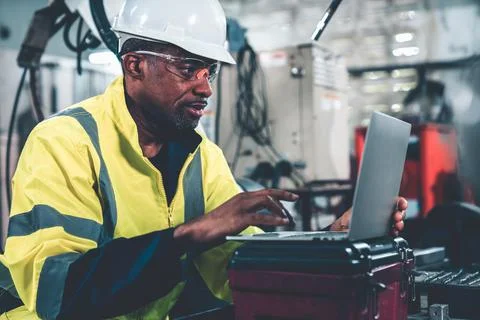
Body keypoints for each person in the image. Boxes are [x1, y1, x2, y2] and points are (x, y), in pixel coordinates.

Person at [0, 0, 407, 319]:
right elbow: (60, 294)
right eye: (189, 69)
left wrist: (330, 241)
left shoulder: (202, 157)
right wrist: (190, 234)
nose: (206, 89)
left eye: (209, 72)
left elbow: (243, 271)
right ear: (135, 65)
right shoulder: (65, 141)